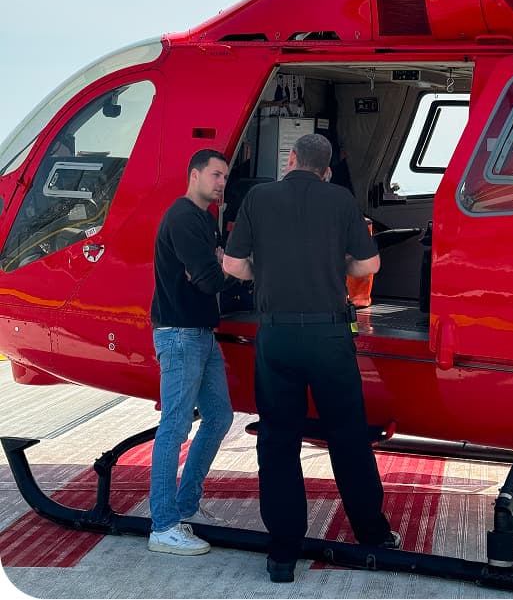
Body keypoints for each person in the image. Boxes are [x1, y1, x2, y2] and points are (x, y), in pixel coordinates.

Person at [223, 133, 399, 584]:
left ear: (291, 159)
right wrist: (330, 263)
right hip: (329, 335)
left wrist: (272, 268)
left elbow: (235, 266)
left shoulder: (259, 198)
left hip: (277, 335)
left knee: (278, 441)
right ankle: (373, 534)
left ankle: (283, 553)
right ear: (326, 169)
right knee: (347, 436)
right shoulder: (340, 200)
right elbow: (368, 267)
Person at [148, 148, 246, 556]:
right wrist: (223, 266)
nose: (222, 183)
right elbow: (208, 279)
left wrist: (219, 265)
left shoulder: (203, 219)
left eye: (225, 177)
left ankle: (184, 507)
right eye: (215, 175)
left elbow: (208, 272)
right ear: (194, 175)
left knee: (220, 415)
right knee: (174, 427)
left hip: (200, 333)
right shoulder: (185, 218)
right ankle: (163, 525)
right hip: (180, 335)